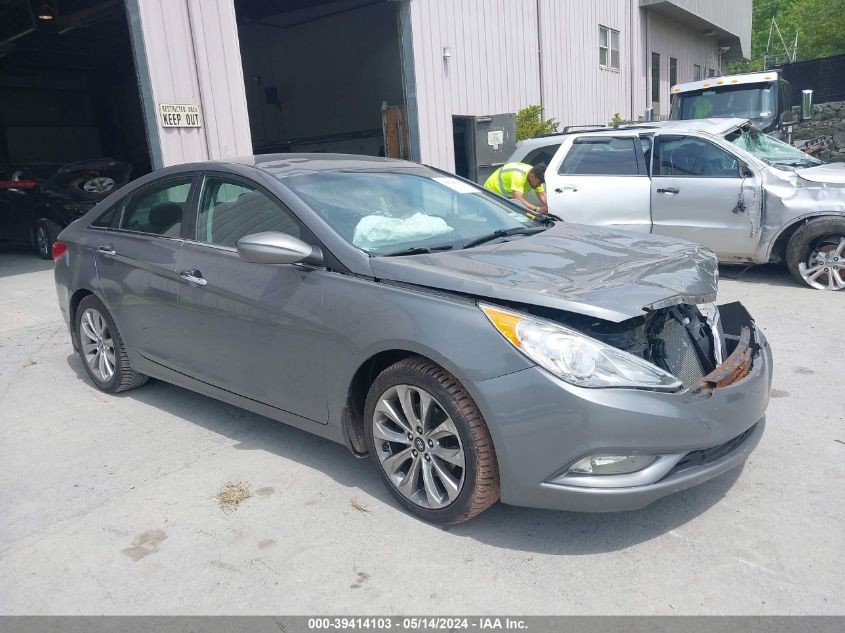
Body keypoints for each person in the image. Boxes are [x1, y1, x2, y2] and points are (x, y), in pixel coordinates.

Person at [483, 162, 548, 214]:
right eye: (538, 182)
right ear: (532, 176)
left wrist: (551, 208)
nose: (539, 185)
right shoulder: (519, 176)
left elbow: (542, 195)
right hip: (491, 193)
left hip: (505, 197)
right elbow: (518, 199)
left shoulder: (534, 174)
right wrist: (537, 209)